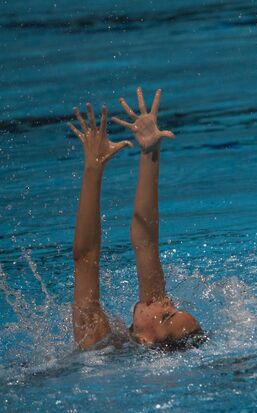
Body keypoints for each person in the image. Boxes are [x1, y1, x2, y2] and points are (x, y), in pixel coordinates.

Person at [67, 88, 201, 349]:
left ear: (146, 340)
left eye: (167, 314)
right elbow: (146, 240)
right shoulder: (152, 311)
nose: (167, 302)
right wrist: (150, 151)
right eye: (173, 307)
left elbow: (85, 258)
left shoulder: (99, 344)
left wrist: (93, 168)